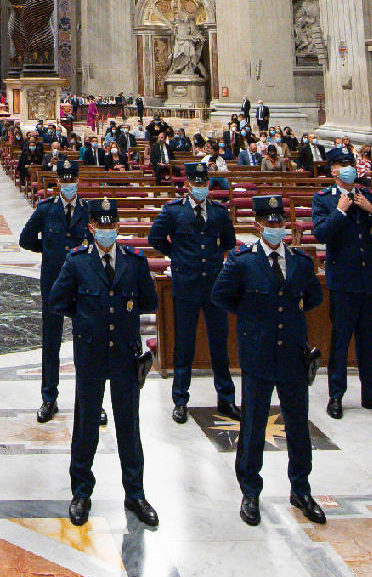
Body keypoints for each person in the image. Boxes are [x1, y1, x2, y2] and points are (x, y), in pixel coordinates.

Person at [213, 194, 325, 526]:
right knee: (253, 425)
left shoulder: (300, 261)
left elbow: (313, 298)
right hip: (258, 354)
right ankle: (250, 491)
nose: (275, 227)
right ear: (258, 225)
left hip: (292, 354)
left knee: (298, 425)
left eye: (280, 221)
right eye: (269, 222)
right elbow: (221, 296)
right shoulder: (242, 261)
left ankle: (301, 489)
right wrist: (252, 318)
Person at [50, 199, 160, 527]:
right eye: (102, 225)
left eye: (112, 225)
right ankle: (81, 492)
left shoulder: (134, 261)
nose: (107, 230)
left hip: (125, 354)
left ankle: (135, 493)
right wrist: (87, 321)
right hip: (91, 354)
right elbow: (58, 301)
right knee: (86, 426)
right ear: (91, 227)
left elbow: (148, 301)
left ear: (118, 226)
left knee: (129, 426)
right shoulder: (77, 261)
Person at [311, 157, 372, 420]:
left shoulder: (367, 196)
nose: (348, 170)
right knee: (340, 341)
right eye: (342, 166)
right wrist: (340, 212)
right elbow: (321, 234)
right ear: (333, 172)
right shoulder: (324, 199)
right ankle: (336, 395)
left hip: (366, 280)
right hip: (343, 281)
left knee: (368, 340)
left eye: (350, 164)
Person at [148, 162, 239, 424]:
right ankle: (180, 400)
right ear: (187, 185)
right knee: (184, 345)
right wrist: (177, 255)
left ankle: (226, 398)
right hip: (186, 284)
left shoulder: (219, 212)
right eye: (195, 183)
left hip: (214, 285)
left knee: (219, 344)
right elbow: (155, 238)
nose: (200, 187)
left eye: (203, 183)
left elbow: (229, 242)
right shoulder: (173, 211)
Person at [21, 157, 92, 423]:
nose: (69, 183)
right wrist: (49, 251)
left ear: (78, 180)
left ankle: (90, 400)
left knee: (86, 343)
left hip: (83, 284)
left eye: (73, 179)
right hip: (53, 283)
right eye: (65, 179)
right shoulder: (45, 209)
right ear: (58, 181)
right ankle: (49, 398)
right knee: (50, 342)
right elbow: (26, 239)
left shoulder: (88, 210)